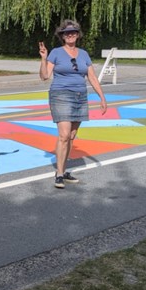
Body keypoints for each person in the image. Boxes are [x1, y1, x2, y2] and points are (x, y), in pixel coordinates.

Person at [38, 19, 108, 189]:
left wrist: (102, 97)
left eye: (73, 32)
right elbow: (45, 76)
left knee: (71, 136)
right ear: (62, 36)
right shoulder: (55, 52)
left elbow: (91, 77)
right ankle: (59, 174)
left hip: (80, 96)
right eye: (67, 33)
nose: (70, 35)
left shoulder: (84, 54)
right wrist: (43, 58)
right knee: (63, 135)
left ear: (77, 35)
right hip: (61, 95)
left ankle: (63, 169)